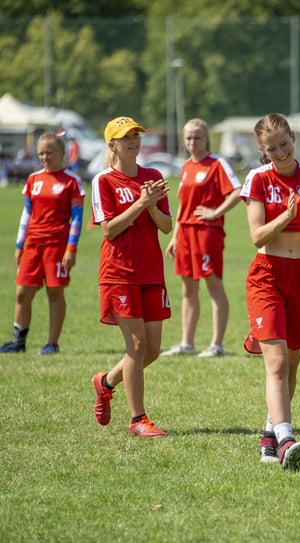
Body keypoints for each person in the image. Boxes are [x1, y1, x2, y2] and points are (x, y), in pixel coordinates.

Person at [241, 113, 300, 470]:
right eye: (271, 148)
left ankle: (269, 432)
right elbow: (257, 236)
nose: (279, 152)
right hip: (268, 275)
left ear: (294, 137)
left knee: (291, 365)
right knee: (275, 363)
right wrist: (285, 215)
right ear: (262, 151)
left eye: (283, 143)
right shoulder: (258, 179)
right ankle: (287, 439)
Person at [90, 116, 172, 438]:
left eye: (136, 135)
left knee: (151, 351)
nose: (134, 141)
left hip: (151, 272)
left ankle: (106, 381)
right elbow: (108, 229)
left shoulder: (153, 176)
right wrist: (141, 202)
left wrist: (151, 205)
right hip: (119, 273)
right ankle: (138, 419)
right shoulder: (104, 181)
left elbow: (166, 227)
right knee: (136, 345)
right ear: (113, 145)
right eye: (126, 137)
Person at [162, 119, 242, 358]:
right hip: (185, 233)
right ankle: (187, 343)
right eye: (187, 138)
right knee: (188, 290)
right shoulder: (185, 166)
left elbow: (238, 191)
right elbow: (184, 205)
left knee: (214, 287)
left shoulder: (217, 164)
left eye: (196, 137)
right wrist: (175, 237)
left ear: (206, 138)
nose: (191, 142)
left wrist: (215, 213)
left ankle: (216, 345)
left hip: (207, 234)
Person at [0, 133, 85, 355]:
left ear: (61, 154)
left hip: (57, 245)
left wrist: (71, 248)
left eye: (50, 152)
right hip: (32, 244)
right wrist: (20, 244)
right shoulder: (33, 179)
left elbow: (77, 218)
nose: (45, 157)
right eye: (41, 153)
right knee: (22, 293)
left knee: (55, 293)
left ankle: (52, 343)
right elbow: (26, 213)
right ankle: (18, 341)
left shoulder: (71, 181)